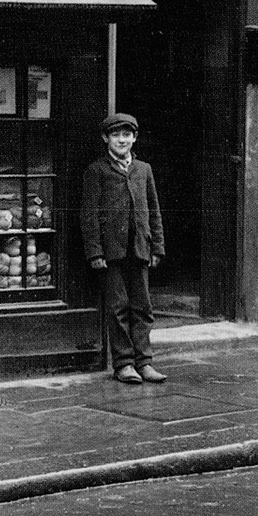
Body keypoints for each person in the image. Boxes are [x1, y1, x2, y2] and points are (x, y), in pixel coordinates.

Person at [81, 111, 167, 386]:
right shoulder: (97, 171)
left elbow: (153, 211)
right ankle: (124, 364)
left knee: (143, 307)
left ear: (134, 138)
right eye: (116, 135)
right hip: (112, 251)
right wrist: (95, 251)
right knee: (118, 307)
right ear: (106, 138)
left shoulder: (143, 169)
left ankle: (145, 362)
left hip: (140, 246)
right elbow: (89, 214)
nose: (122, 140)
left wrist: (157, 246)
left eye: (127, 135)